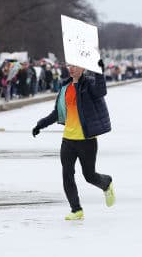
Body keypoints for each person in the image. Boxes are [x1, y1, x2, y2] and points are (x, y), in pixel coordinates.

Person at [32, 59, 115, 221]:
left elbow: (101, 91)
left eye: (75, 65)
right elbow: (58, 112)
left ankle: (106, 183)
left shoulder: (89, 84)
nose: (71, 68)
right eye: (70, 65)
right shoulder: (65, 87)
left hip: (87, 140)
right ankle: (76, 209)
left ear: (83, 67)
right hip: (68, 140)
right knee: (67, 175)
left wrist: (99, 71)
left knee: (89, 176)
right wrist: (41, 124)